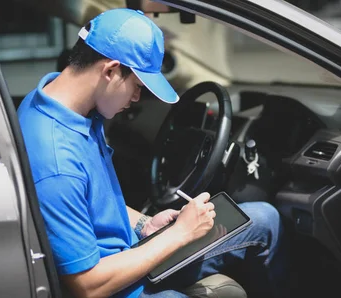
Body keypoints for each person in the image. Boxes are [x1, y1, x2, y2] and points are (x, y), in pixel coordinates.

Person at [17, 8, 288, 298]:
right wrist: (179, 234)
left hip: (131, 256)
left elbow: (91, 203)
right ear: (110, 70)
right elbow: (88, 286)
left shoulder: (57, 100)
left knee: (263, 218)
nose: (136, 98)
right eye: (137, 86)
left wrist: (145, 225)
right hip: (117, 286)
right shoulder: (56, 161)